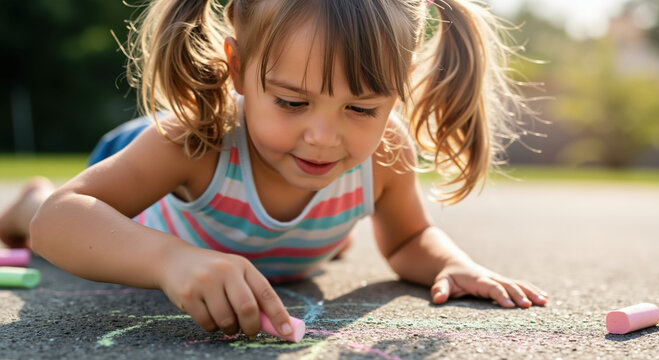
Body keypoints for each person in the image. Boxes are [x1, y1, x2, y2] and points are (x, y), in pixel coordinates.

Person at [2, 0, 548, 339]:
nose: (323, 136)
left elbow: (408, 239)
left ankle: (304, 234)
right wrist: (169, 261)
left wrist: (450, 264)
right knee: (39, 215)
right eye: (291, 102)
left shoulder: (385, 153)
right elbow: (61, 222)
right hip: (141, 183)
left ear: (396, 88)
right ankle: (22, 199)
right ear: (239, 69)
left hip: (247, 230)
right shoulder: (196, 137)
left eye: (360, 109)